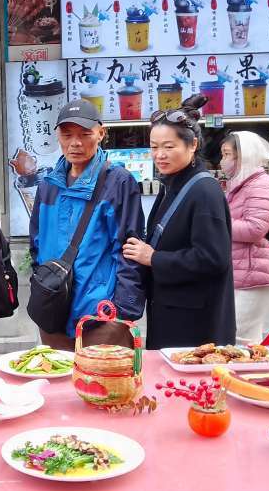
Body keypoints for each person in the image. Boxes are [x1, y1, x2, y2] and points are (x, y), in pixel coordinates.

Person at [29, 99, 144, 350]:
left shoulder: (118, 182)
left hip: (100, 316)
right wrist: (42, 288)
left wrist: (122, 312)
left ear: (101, 133)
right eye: (67, 134)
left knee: (102, 375)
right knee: (57, 374)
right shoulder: (48, 185)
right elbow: (36, 244)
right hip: (53, 313)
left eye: (84, 134)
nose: (75, 143)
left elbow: (129, 250)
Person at [123, 96, 235, 350]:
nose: (159, 155)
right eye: (154, 147)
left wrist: (154, 258)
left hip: (195, 325)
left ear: (192, 145)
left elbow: (213, 259)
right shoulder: (172, 184)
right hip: (172, 311)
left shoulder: (204, 191)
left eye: (169, 146)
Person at [221, 131, 269, 342]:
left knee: (233, 337)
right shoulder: (242, 184)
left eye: (227, 154)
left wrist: (218, 225)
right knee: (249, 340)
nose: (223, 161)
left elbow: (255, 229)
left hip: (256, 273)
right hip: (247, 272)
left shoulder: (259, 185)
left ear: (244, 155)